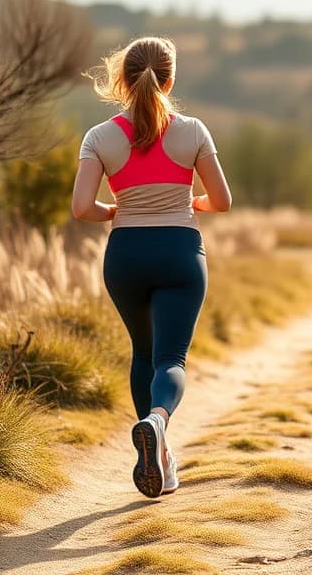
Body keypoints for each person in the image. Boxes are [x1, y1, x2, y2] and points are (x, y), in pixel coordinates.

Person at [72, 37, 232, 498]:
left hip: (126, 255)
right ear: (171, 78)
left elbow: (82, 208)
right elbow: (221, 202)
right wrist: (187, 202)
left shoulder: (98, 137)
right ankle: (157, 423)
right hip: (180, 250)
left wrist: (118, 210)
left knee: (143, 353)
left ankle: (157, 457)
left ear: (122, 79)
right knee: (170, 359)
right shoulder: (194, 131)